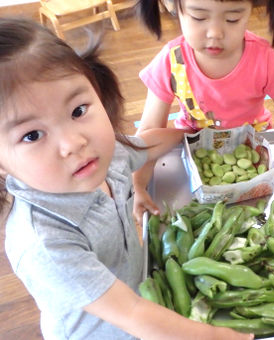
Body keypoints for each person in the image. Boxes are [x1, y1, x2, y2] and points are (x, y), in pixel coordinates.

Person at [0, 17, 252, 340]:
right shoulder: (42, 242)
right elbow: (131, 313)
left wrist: (192, 134)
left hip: (139, 298)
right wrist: (218, 337)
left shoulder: (105, 154)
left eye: (78, 111)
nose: (73, 143)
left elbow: (148, 143)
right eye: (32, 135)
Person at [132, 0, 274, 223]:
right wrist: (138, 185)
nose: (215, 33)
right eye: (199, 17)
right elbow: (149, 132)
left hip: (252, 153)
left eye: (232, 18)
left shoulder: (264, 59)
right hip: (189, 156)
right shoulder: (171, 61)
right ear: (172, 6)